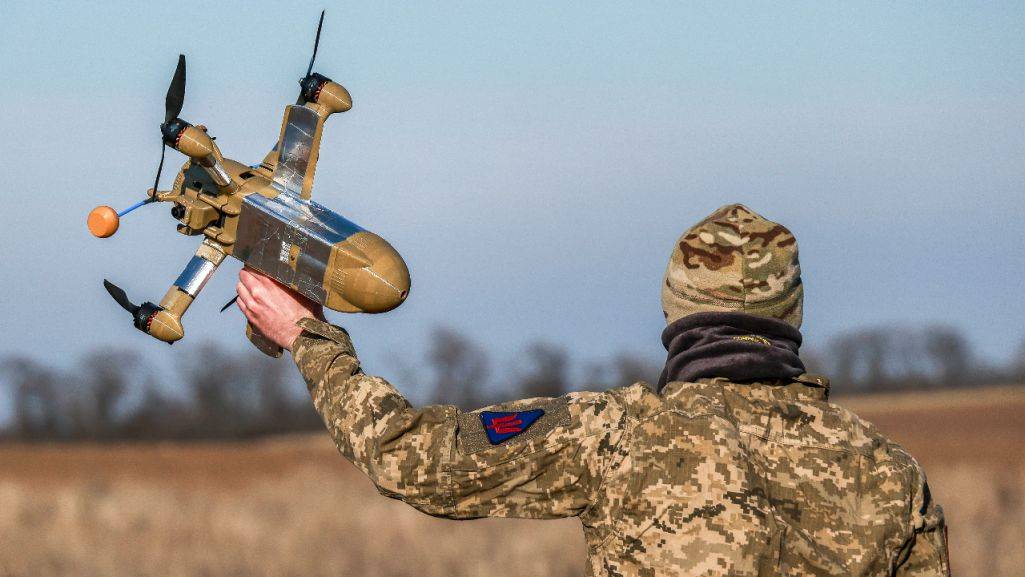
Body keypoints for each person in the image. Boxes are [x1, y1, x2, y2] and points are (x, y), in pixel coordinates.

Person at [236, 203, 949, 576]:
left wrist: (308, 337)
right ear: (790, 317)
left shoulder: (621, 432)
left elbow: (413, 458)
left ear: (677, 312)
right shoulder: (888, 471)